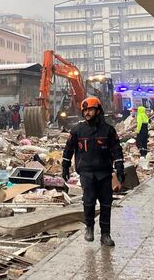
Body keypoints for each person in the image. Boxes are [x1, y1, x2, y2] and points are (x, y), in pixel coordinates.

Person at [62, 97, 124, 247]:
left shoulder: (108, 130)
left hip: (104, 173)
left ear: (98, 110)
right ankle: (89, 227)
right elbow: (68, 149)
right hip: (86, 172)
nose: (87, 113)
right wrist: (65, 165)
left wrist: (120, 168)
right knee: (88, 202)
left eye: (90, 109)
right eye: (85, 110)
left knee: (106, 204)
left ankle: (105, 234)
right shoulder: (78, 130)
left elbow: (116, 150)